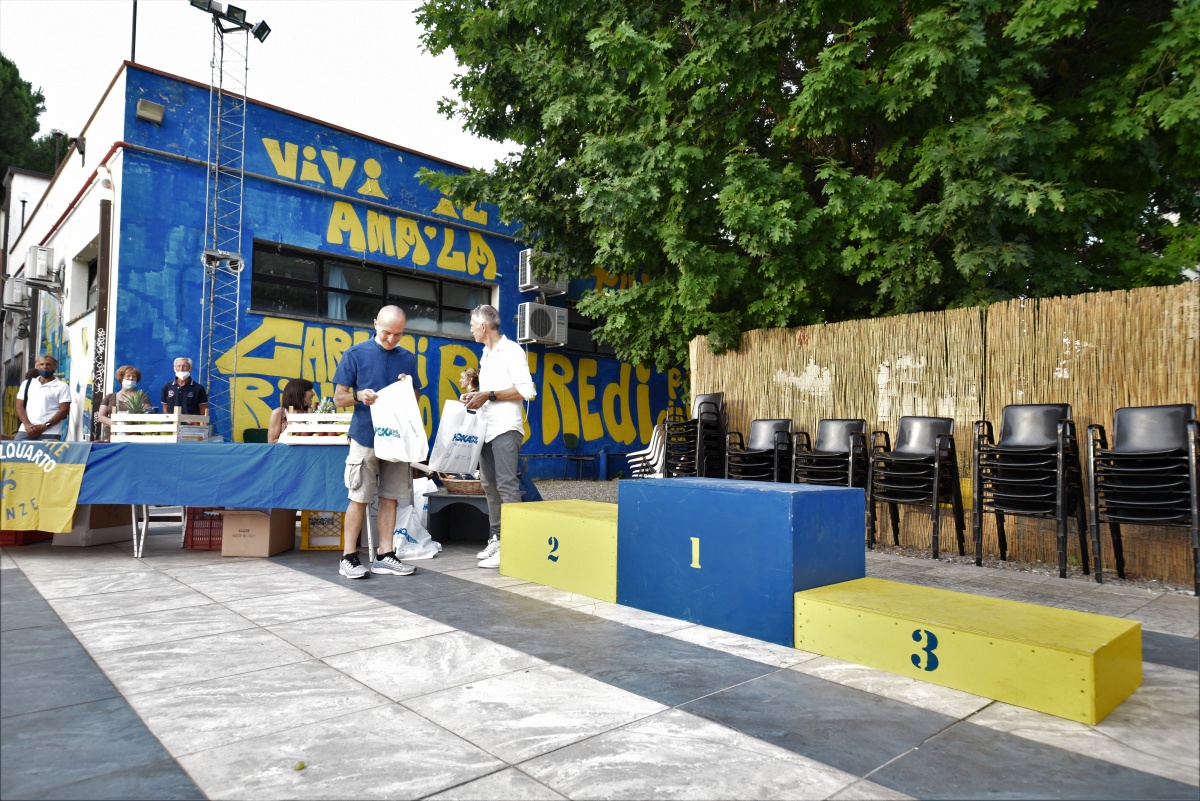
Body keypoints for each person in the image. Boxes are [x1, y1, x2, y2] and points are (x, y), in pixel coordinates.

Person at [331, 305, 424, 579]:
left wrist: (406, 387)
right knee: (359, 496)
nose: (391, 339)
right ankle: (348, 557)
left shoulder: (407, 358)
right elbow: (338, 398)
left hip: (396, 438)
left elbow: (416, 397)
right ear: (375, 324)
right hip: (365, 435)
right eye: (386, 332)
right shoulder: (355, 354)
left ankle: (385, 555)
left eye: (398, 334)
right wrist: (359, 396)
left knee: (391, 497)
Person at [461, 304, 537, 568]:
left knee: (506, 485)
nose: (471, 330)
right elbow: (489, 393)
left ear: (484, 326)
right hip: (486, 428)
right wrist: (476, 396)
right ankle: (497, 539)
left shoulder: (512, 350)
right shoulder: (486, 353)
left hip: (506, 428)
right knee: (489, 486)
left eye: (473, 326)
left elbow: (527, 391)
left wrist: (489, 395)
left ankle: (513, 546)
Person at [14, 354, 72, 441]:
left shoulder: (62, 386)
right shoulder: (27, 384)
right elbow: (19, 405)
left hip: (51, 432)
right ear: (37, 367)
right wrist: (27, 424)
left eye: (48, 364)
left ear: (55, 367)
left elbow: (64, 410)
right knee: (18, 449)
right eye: (41, 364)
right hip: (26, 430)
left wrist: (45, 426)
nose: (45, 367)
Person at [95, 365, 147, 441]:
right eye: (128, 376)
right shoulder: (110, 397)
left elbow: (146, 414)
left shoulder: (141, 396)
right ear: (121, 378)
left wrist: (132, 428)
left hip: (133, 438)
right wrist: (116, 425)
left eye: (134, 376)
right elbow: (101, 416)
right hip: (111, 437)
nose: (131, 378)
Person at [267, 378, 315, 444]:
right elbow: (272, 442)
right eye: (309, 390)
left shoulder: (312, 413)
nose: (313, 393)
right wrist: (294, 440)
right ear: (299, 392)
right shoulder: (279, 414)